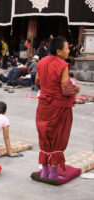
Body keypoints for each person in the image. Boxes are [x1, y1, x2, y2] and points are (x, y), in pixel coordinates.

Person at [35, 36, 80, 179]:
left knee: (45, 136)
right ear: (59, 51)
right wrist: (76, 88)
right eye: (66, 48)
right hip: (59, 106)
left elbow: (37, 81)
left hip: (43, 105)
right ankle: (53, 173)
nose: (68, 51)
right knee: (58, 137)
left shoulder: (41, 62)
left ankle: (44, 171)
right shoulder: (62, 64)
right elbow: (66, 90)